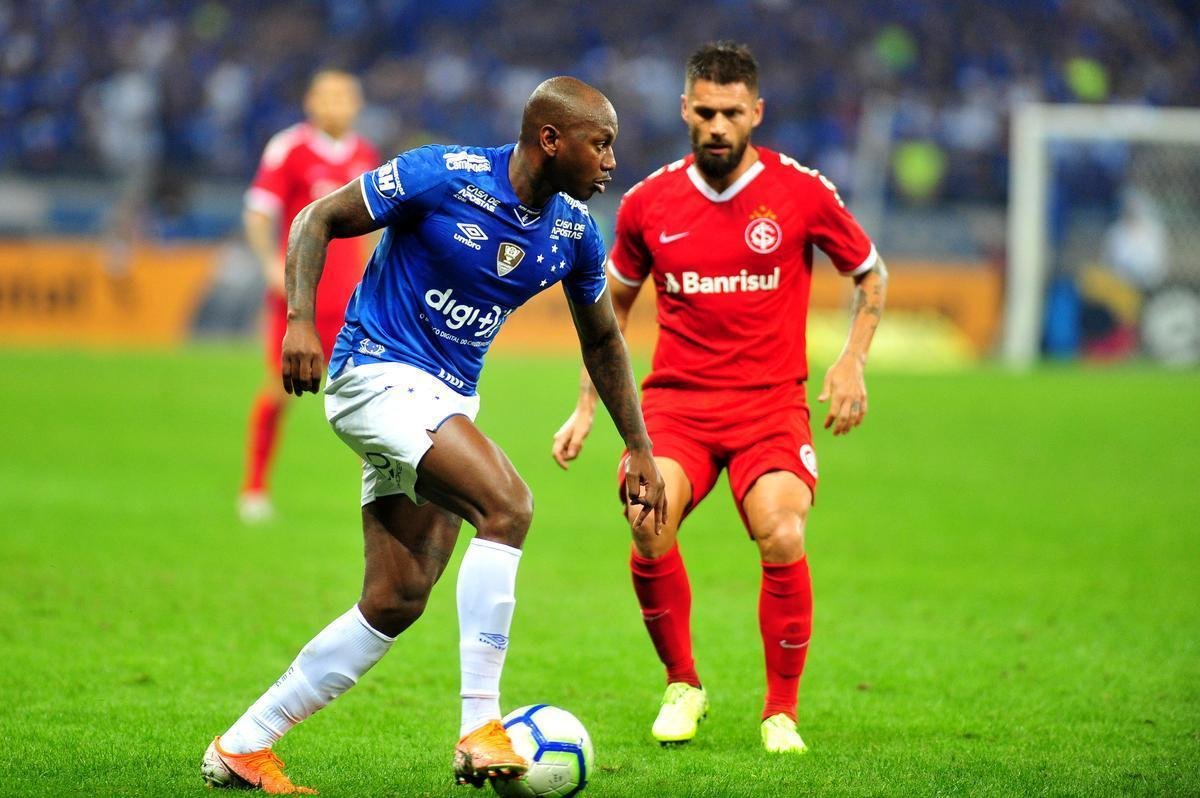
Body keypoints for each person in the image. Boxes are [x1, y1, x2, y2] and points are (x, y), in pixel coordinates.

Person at [202, 76, 666, 794]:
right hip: (374, 373)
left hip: (445, 398)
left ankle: (243, 744)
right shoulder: (441, 174)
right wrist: (299, 318)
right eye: (600, 144)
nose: (611, 161)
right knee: (509, 505)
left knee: (397, 598)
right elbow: (316, 218)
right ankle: (481, 727)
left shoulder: (573, 231)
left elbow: (603, 340)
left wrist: (637, 445)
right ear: (551, 140)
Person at [552, 42, 888, 754]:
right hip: (676, 407)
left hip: (771, 406)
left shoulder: (801, 192)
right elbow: (606, 311)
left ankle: (780, 712)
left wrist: (853, 360)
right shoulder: (648, 202)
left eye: (731, 113)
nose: (716, 125)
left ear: (755, 113)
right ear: (685, 109)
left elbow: (870, 274)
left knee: (783, 531)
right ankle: (683, 683)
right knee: (646, 515)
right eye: (704, 111)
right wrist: (586, 404)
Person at [238, 69, 380, 523]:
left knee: (370, 394)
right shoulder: (290, 149)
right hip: (298, 299)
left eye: (345, 97)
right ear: (311, 102)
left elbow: (377, 228)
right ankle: (255, 487)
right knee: (279, 390)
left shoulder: (365, 154)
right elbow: (259, 213)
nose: (336, 105)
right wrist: (268, 265)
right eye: (328, 96)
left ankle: (380, 498)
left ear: (356, 105)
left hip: (350, 300)